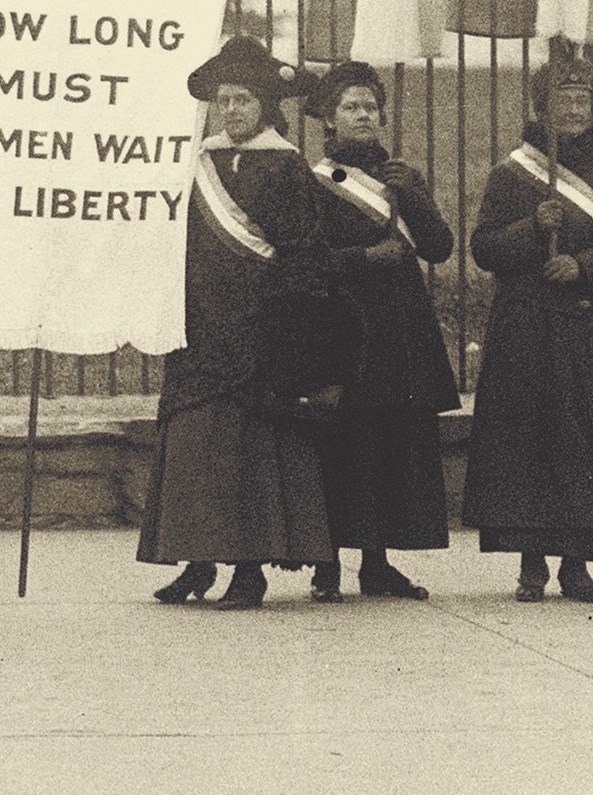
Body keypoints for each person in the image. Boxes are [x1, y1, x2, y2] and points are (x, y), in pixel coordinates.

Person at [141, 34, 336, 610]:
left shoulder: (287, 168)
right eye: (224, 99)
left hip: (258, 332)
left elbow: (306, 258)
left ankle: (249, 572)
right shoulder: (198, 163)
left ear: (266, 107)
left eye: (243, 100)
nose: (231, 110)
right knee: (195, 447)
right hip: (198, 328)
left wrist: (280, 321)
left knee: (250, 456)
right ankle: (196, 564)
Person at [462, 44, 593, 601]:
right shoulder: (512, 174)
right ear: (541, 108)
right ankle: (530, 562)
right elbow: (483, 248)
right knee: (531, 445)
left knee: (586, 446)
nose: (574, 111)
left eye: (582, 100)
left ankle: (577, 563)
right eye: (562, 100)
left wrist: (585, 265)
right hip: (528, 327)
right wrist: (531, 228)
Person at [297, 59, 457, 601]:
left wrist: (412, 193)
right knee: (342, 445)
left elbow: (439, 247)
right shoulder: (315, 183)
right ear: (329, 120)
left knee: (390, 444)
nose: (363, 114)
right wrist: (368, 256)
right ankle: (328, 566)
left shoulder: (400, 178)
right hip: (342, 326)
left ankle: (377, 562)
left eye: (370, 107)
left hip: (400, 328)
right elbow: (308, 261)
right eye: (351, 107)